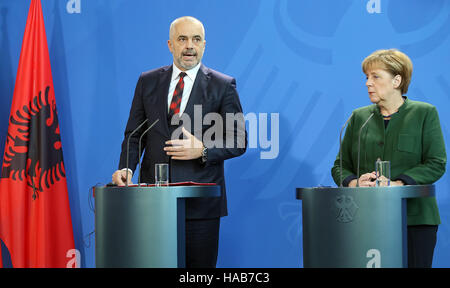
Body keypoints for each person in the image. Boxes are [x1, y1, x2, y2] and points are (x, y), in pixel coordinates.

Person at [111, 16, 247, 268]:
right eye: (182, 39)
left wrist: (203, 149)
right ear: (170, 45)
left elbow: (238, 140)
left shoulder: (223, 85)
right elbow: (134, 135)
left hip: (200, 206)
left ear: (204, 44)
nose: (189, 46)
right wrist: (127, 168)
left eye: (196, 39)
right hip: (153, 202)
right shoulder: (147, 81)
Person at [331, 49, 446, 268]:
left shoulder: (424, 113)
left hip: (415, 219)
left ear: (397, 80)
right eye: (366, 77)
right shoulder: (359, 117)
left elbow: (436, 163)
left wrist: (399, 182)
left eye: (375, 76)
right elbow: (340, 166)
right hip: (366, 219)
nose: (368, 83)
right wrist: (354, 182)